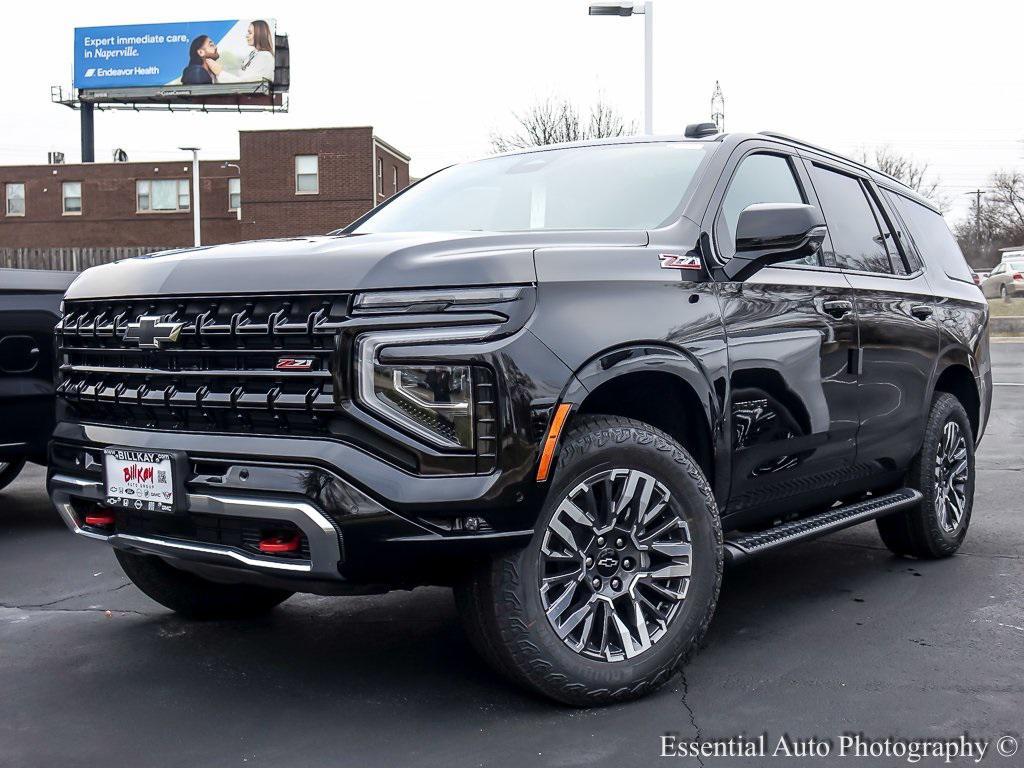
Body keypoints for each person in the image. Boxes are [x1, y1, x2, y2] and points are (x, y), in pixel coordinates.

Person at [204, 20, 275, 84]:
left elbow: (244, 83)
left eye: (250, 33)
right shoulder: (253, 54)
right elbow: (241, 76)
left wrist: (219, 72)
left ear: (259, 34)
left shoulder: (265, 57)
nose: (246, 36)